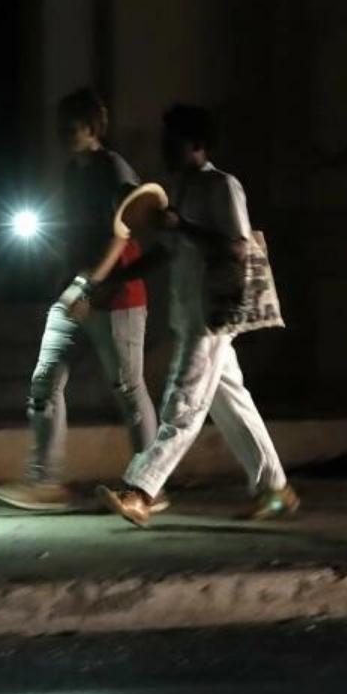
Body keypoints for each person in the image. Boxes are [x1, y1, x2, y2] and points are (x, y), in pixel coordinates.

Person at [87, 104, 297, 527]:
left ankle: (142, 490)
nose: (164, 147)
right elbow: (167, 251)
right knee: (232, 402)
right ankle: (274, 489)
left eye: (172, 140)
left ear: (197, 145)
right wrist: (119, 276)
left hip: (212, 314)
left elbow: (237, 246)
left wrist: (180, 225)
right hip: (192, 313)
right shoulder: (181, 187)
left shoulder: (222, 186)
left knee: (183, 402)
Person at [0, 88, 160, 513]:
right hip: (77, 287)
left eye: (73, 127)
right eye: (61, 126)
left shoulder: (113, 168)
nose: (64, 133)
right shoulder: (72, 171)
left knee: (128, 388)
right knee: (45, 381)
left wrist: (91, 285)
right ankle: (45, 480)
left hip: (116, 294)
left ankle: (150, 485)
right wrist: (62, 274)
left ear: (93, 128)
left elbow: (123, 233)